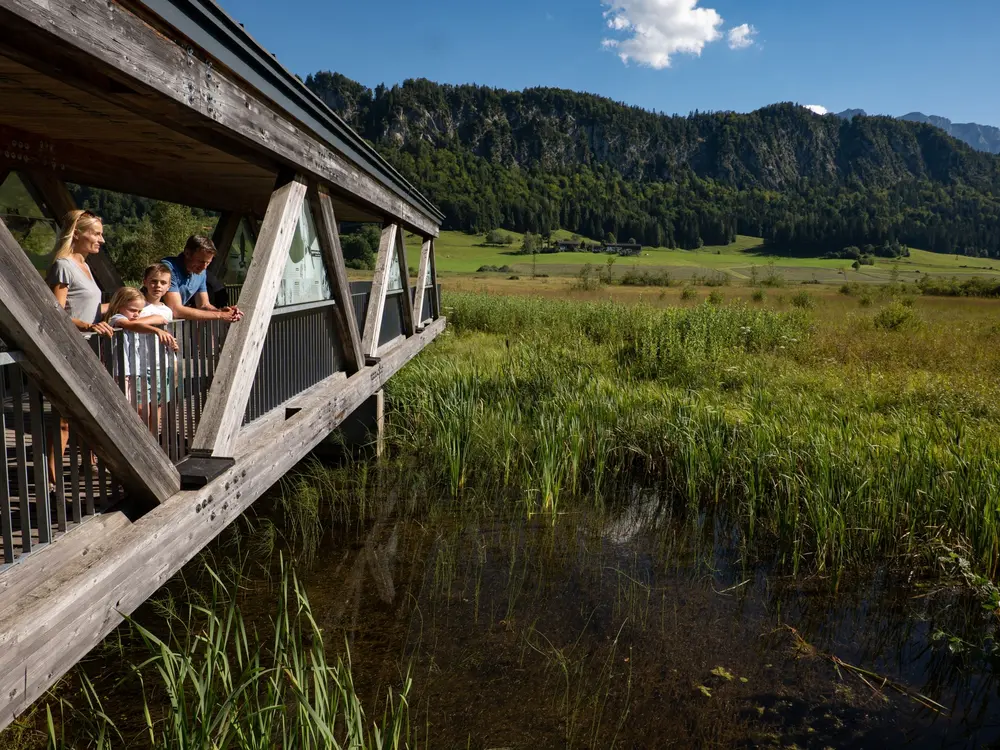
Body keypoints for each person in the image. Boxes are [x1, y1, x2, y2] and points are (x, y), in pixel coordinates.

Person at [46, 210, 114, 487]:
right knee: (64, 419)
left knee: (89, 414)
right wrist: (87, 326)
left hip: (90, 350)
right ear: (77, 233)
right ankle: (52, 481)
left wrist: (129, 308)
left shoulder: (84, 264)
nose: (102, 239)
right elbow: (55, 313)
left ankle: (89, 466)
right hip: (70, 349)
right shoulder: (63, 265)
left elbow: (93, 309)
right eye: (96, 233)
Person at [105, 287, 178, 413]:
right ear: (118, 306)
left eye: (139, 311)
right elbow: (132, 325)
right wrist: (156, 330)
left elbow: (149, 323)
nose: (136, 315)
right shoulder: (117, 318)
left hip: (134, 372)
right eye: (132, 310)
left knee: (134, 408)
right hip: (119, 372)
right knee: (123, 407)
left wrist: (169, 342)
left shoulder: (133, 321)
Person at [161, 236, 243, 322]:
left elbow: (203, 305)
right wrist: (220, 315)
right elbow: (176, 310)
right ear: (187, 253)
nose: (204, 267)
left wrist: (223, 312)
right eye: (201, 261)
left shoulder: (201, 273)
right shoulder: (167, 268)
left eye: (208, 263)